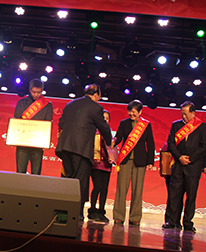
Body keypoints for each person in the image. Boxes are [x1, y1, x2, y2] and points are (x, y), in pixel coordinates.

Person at [55, 84, 112, 218]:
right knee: (81, 181)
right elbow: (104, 127)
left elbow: (61, 123)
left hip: (65, 148)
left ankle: (65, 212)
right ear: (96, 94)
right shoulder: (96, 107)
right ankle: (77, 213)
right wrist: (110, 142)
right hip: (81, 149)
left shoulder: (70, 104)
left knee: (69, 180)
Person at [163, 101, 206, 232]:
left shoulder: (202, 127)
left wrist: (191, 158)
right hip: (178, 165)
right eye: (182, 114)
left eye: (186, 114)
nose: (184, 117)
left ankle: (188, 223)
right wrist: (179, 157)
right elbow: (171, 143)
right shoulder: (176, 125)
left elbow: (205, 146)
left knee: (191, 196)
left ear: (193, 113)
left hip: (193, 167)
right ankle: (172, 221)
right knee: (174, 195)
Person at [111, 100, 154, 226]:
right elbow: (119, 137)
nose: (131, 114)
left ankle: (135, 217)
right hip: (125, 159)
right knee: (121, 189)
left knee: (137, 190)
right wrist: (114, 142)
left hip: (140, 160)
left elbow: (150, 143)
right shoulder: (124, 123)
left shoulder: (146, 125)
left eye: (134, 112)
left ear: (140, 112)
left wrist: (150, 161)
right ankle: (118, 216)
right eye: (130, 111)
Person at [13, 78, 53, 175]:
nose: (36, 94)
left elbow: (48, 124)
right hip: (22, 143)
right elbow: (17, 122)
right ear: (30, 90)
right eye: (34, 92)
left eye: (39, 92)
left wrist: (46, 141)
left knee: (36, 173)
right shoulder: (22, 103)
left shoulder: (47, 105)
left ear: (42, 91)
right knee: (20, 173)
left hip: (37, 143)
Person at [88, 110, 115, 223]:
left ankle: (101, 211)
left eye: (107, 119)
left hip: (107, 165)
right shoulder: (93, 131)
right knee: (97, 187)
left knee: (104, 189)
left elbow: (113, 149)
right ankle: (92, 210)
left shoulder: (110, 134)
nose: (105, 120)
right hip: (96, 164)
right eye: (103, 118)